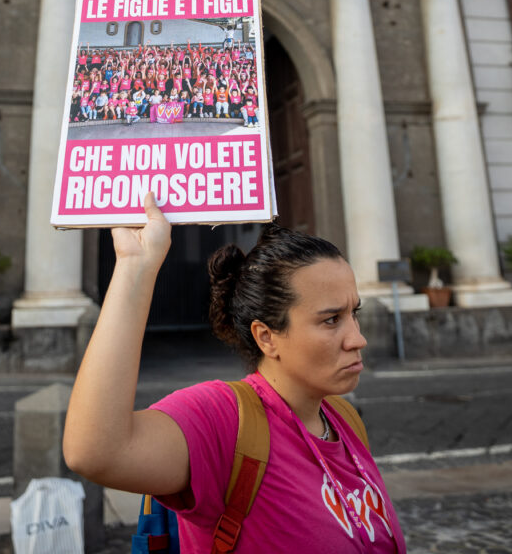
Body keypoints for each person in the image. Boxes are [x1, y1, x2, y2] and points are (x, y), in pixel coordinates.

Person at [64, 195, 406, 553]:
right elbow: (96, 452)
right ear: (266, 337)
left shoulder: (345, 418)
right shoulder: (225, 421)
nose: (358, 339)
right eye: (331, 320)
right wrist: (136, 265)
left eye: (355, 313)